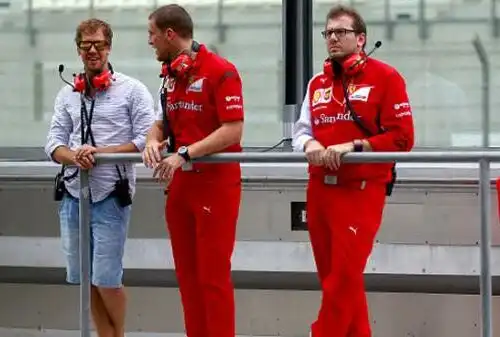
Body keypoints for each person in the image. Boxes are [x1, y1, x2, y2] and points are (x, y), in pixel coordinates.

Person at [292, 5, 415, 337]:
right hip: (319, 189)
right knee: (336, 280)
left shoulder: (386, 77)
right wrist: (309, 146)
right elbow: (301, 130)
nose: (332, 38)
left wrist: (353, 147)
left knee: (342, 281)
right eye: (328, 33)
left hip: (361, 190)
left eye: (340, 32)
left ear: (361, 39)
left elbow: (403, 137)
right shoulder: (318, 82)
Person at [44, 18, 155, 337]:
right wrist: (75, 156)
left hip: (110, 195)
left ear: (109, 47)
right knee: (84, 279)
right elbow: (53, 143)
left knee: (106, 279)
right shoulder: (67, 94)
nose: (92, 50)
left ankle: (116, 334)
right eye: (85, 45)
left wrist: (100, 152)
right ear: (77, 49)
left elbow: (144, 139)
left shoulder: (133, 90)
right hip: (73, 195)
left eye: (99, 44)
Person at [142, 4, 245, 337]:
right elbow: (160, 123)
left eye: (152, 34)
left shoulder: (221, 70)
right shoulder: (170, 76)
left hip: (216, 184)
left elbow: (233, 129)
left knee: (212, 278)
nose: (150, 42)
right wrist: (152, 141)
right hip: (180, 185)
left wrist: (185, 153)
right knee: (187, 278)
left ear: (170, 34)